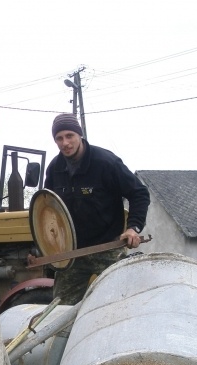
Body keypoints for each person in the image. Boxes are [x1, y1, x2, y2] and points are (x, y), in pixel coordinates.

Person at [43, 113, 150, 304]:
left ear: (80, 135)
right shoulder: (55, 168)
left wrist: (133, 228)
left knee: (115, 305)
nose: (65, 143)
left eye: (70, 136)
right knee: (60, 309)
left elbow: (139, 193)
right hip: (72, 253)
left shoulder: (106, 162)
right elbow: (48, 208)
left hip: (108, 248)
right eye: (59, 138)